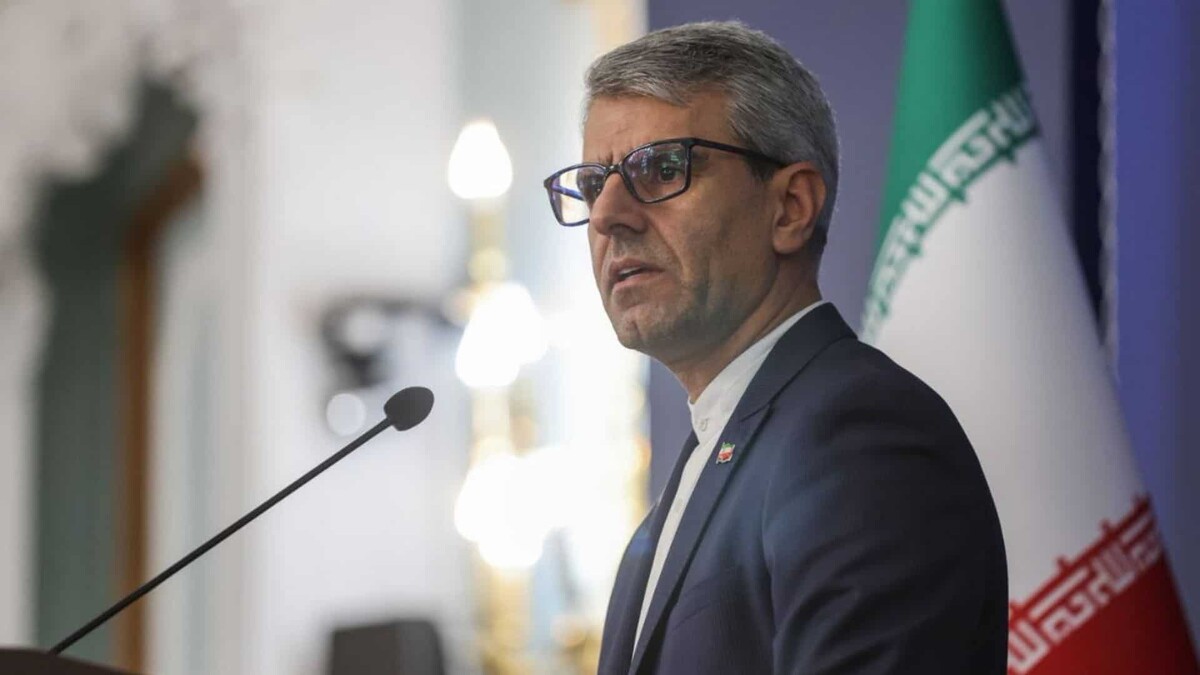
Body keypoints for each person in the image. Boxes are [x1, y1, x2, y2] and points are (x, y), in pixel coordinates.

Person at [542, 20, 1008, 675]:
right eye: (594, 184)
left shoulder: (858, 435)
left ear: (790, 207)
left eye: (662, 168)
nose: (606, 215)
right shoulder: (710, 463)